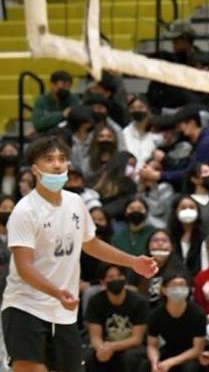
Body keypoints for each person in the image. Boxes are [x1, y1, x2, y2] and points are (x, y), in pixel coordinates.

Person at [2, 135, 158, 372]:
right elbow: (24, 267)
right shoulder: (25, 211)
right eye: (49, 159)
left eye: (62, 159)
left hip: (63, 311)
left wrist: (132, 261)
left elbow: (91, 244)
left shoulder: (75, 202)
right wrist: (57, 292)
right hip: (26, 306)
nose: (57, 164)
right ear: (35, 169)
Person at [85, 263, 149, 372]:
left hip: (131, 347)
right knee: (90, 356)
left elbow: (137, 339)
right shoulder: (95, 301)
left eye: (119, 276)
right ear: (103, 282)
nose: (116, 279)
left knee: (130, 357)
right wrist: (101, 349)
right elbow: (95, 337)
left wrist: (112, 347)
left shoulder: (139, 301)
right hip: (105, 346)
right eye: (111, 277)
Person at [147, 271, 207, 372]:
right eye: (174, 285)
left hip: (190, 355)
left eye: (182, 285)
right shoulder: (156, 314)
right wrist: (155, 363)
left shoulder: (198, 314)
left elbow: (198, 349)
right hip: (168, 350)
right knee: (145, 365)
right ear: (164, 290)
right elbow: (152, 345)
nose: (178, 288)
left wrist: (171, 362)